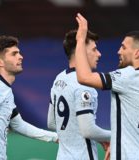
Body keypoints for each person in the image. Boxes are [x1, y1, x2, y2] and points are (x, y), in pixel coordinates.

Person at [74, 13, 139, 159]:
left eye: (123, 47)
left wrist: (81, 39)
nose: (118, 51)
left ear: (137, 53)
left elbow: (84, 77)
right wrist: (124, 144)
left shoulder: (127, 76)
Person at [0, 35, 58, 160]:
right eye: (14, 54)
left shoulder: (4, 89)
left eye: (19, 53)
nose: (20, 57)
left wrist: (55, 137)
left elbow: (18, 125)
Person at [47, 29, 110, 160]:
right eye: (94, 49)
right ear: (80, 50)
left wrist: (98, 138)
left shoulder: (59, 79)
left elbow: (52, 123)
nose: (99, 54)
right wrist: (116, 136)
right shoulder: (85, 84)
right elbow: (88, 130)